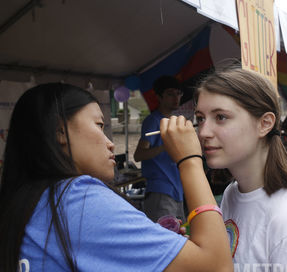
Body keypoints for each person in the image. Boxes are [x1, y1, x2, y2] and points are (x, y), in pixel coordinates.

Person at [0, 83, 233, 271]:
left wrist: (155, 246)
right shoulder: (76, 200)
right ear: (61, 131)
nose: (110, 143)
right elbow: (216, 266)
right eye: (99, 126)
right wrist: (190, 159)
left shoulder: (30, 201)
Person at [194, 68, 287, 270]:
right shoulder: (233, 192)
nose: (204, 132)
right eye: (200, 119)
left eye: (221, 117)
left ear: (264, 124)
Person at [134, 75, 186, 222]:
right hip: (160, 191)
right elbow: (139, 155)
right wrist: (165, 146)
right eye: (170, 94)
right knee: (166, 238)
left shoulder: (175, 121)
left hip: (177, 190)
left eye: (178, 93)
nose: (176, 98)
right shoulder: (153, 121)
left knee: (180, 237)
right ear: (159, 97)